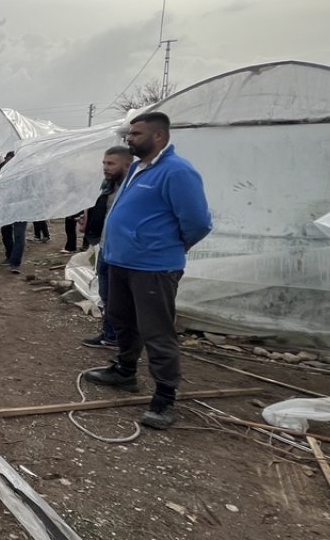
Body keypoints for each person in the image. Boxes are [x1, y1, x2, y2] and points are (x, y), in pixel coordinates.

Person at [84, 112, 212, 429]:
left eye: (137, 133)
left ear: (159, 136)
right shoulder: (137, 169)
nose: (130, 138)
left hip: (153, 267)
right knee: (122, 320)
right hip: (121, 263)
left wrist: (165, 247)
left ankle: (165, 398)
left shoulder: (177, 171)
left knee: (157, 331)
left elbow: (197, 223)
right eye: (130, 133)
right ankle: (125, 372)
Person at [79, 146, 131, 349]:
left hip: (123, 252)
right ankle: (110, 335)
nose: (105, 167)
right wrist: (88, 222)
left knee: (120, 298)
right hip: (105, 248)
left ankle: (121, 338)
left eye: (111, 164)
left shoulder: (132, 187)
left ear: (126, 164)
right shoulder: (109, 185)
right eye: (104, 163)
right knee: (107, 295)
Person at [0, 151, 28, 274]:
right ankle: (9, 256)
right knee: (6, 233)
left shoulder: (23, 173)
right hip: (5, 208)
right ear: (5, 159)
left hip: (21, 208)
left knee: (19, 235)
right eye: (8, 161)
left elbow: (30, 189)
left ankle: (15, 262)